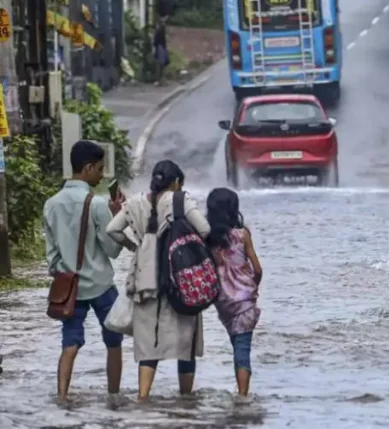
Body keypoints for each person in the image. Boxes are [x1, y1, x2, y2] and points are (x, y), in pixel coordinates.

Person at [106, 160, 211, 400]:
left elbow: (112, 229)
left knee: (148, 345)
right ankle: (186, 399)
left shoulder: (133, 203)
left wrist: (135, 246)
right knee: (185, 346)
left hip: (145, 278)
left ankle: (143, 398)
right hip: (179, 277)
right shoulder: (180, 201)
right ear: (175, 182)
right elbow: (204, 229)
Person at [43, 140, 125, 400]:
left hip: (70, 288)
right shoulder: (98, 204)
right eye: (100, 169)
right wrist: (116, 217)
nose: (101, 175)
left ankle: (62, 396)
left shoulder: (51, 204)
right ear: (88, 168)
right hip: (101, 285)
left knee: (70, 342)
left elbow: (52, 256)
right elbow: (112, 250)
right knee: (114, 342)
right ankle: (113, 396)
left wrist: (64, 272)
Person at [206, 188, 262, 396]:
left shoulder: (208, 238)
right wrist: (253, 286)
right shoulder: (242, 235)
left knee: (235, 342)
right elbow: (257, 268)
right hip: (244, 299)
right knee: (242, 347)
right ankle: (243, 395)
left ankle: (240, 390)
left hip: (221, 301)